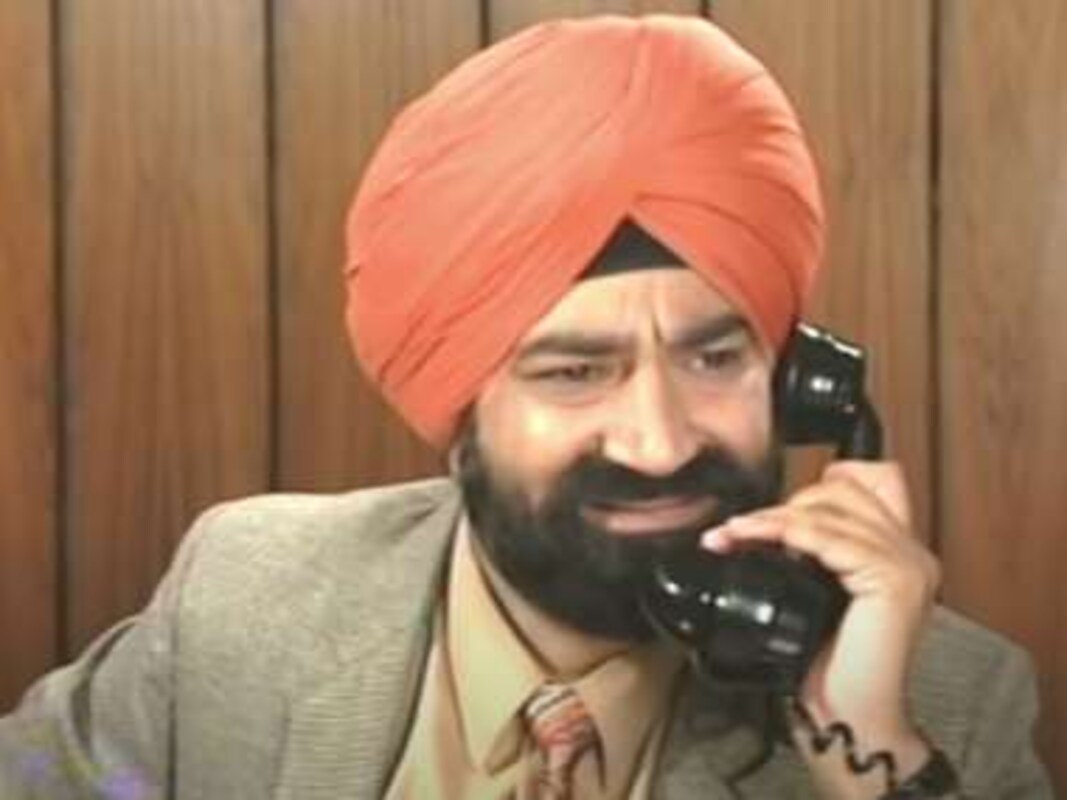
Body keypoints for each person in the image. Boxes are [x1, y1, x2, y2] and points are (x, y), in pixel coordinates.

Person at [0, 14, 1052, 800]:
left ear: (791, 383)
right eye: (573, 372)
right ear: (458, 406)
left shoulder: (941, 702)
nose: (657, 442)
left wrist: (865, 762)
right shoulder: (244, 599)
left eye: (712, 356)